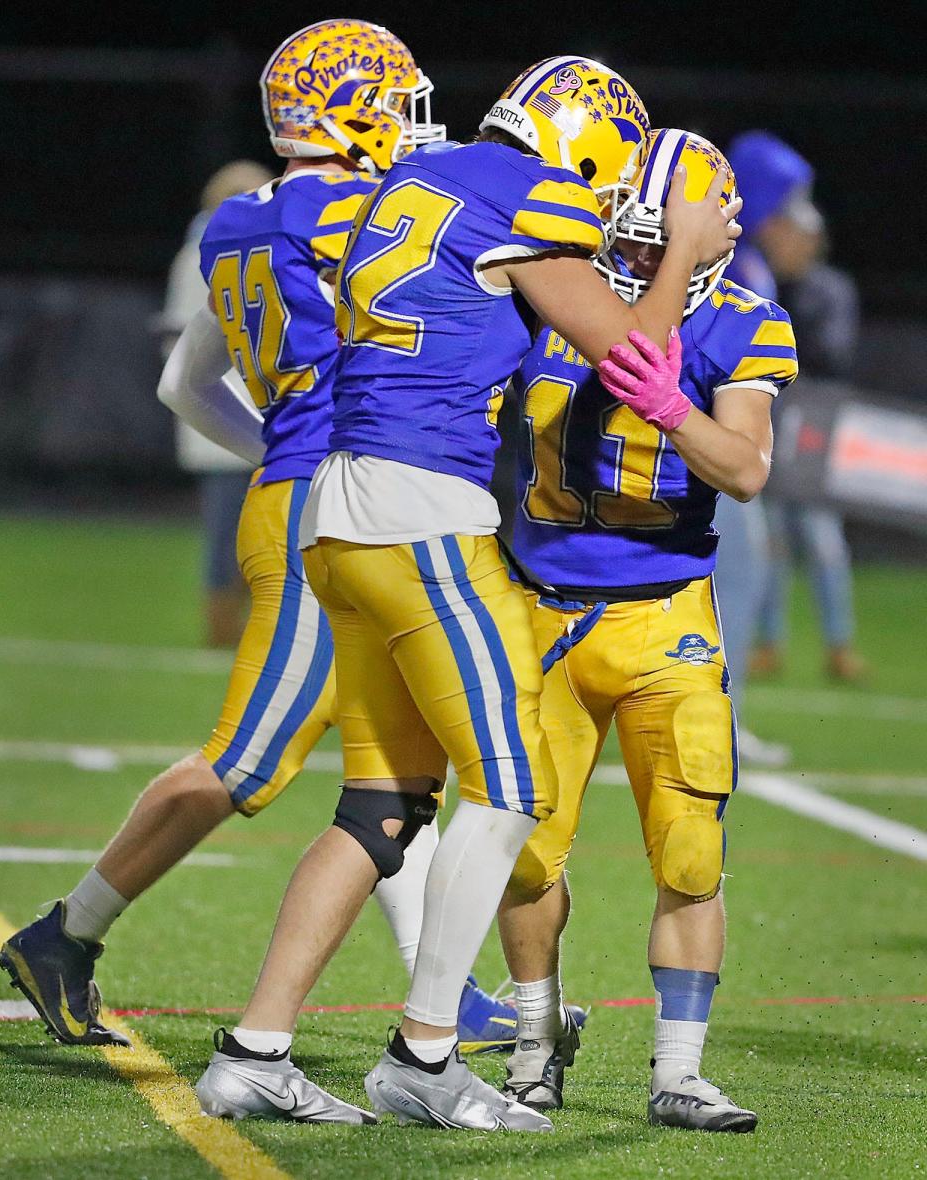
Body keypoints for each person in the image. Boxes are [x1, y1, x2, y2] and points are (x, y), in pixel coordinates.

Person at [196, 55, 740, 1133]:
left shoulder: (419, 179)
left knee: (383, 804)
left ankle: (254, 1051)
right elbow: (637, 355)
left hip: (336, 511)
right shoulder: (520, 190)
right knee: (513, 787)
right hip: (423, 516)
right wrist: (682, 246)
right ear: (583, 142)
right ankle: (424, 1056)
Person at [0, 20, 515, 1107]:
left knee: (389, 765)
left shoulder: (234, 223)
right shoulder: (368, 212)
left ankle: (450, 989)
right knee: (252, 759)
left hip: (306, 492)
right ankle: (65, 934)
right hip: (349, 503)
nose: (414, 121)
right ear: (354, 109)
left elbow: (182, 389)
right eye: (396, 98)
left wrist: (280, 454)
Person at [493, 129, 797, 1133]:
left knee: (689, 853)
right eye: (620, 238)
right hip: (542, 607)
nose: (626, 259)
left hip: (666, 615)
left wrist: (672, 408)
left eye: (648, 240)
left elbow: (746, 469)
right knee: (525, 853)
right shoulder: (549, 286)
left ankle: (679, 1070)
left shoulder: (746, 325)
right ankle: (535, 1043)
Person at [725, 132, 866, 682]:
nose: (798, 232)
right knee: (742, 568)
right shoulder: (745, 267)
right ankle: (717, 715)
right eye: (785, 215)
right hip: (712, 446)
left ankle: (719, 714)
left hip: (729, 441)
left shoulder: (754, 266)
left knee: (758, 561)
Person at [153, 159, 274, 649]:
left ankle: (257, 632)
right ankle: (221, 636)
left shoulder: (254, 250)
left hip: (267, 419)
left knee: (270, 541)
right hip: (229, 423)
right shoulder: (204, 255)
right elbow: (185, 354)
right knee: (228, 541)